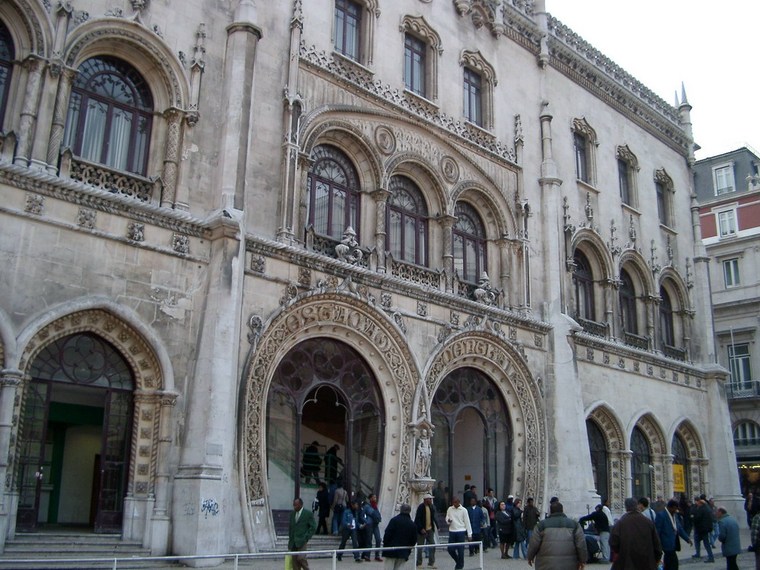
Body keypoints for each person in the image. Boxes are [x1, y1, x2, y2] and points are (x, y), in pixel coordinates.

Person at [526, 501, 587, 570]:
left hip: (545, 564)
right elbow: (581, 545)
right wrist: (582, 560)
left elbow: (534, 544)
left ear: (550, 511)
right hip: (569, 564)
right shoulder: (574, 525)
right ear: (562, 510)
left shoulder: (541, 525)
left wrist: (530, 557)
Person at [610, 497, 663, 570]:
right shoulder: (648, 522)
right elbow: (657, 545)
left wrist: (621, 552)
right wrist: (656, 560)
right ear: (636, 506)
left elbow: (613, 543)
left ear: (626, 507)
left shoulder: (620, 523)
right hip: (647, 564)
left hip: (627, 564)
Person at [655, 499, 692, 570]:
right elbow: (657, 531)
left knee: (671, 563)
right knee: (672, 562)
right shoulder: (661, 515)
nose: (676, 510)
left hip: (674, 543)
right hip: (666, 543)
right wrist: (658, 545)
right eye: (675, 508)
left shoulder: (675, 515)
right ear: (670, 507)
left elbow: (679, 528)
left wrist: (687, 539)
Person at [382, 504, 419, 570]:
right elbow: (414, 539)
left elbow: (387, 534)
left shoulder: (394, 520)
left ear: (401, 510)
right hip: (403, 551)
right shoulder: (412, 524)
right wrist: (408, 549)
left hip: (391, 550)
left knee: (388, 568)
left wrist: (386, 545)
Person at [288, 497, 317, 570]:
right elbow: (291, 527)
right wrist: (290, 539)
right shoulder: (292, 514)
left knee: (301, 558)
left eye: (296, 505)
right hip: (293, 541)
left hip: (302, 540)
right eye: (293, 505)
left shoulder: (308, 514)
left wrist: (307, 537)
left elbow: (313, 527)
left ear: (301, 505)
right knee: (294, 562)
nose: (294, 506)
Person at [445, 497, 472, 570]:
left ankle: (460, 566)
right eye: (453, 502)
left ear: (459, 502)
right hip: (452, 531)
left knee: (460, 551)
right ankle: (458, 562)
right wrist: (448, 521)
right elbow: (447, 518)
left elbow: (467, 522)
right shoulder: (450, 509)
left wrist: (469, 534)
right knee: (450, 549)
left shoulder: (464, 510)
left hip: (461, 531)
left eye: (456, 502)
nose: (455, 504)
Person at [414, 493, 438, 569]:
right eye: (429, 499)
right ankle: (419, 563)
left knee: (432, 545)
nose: (431, 500)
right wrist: (421, 529)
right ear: (425, 500)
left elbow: (433, 517)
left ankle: (431, 563)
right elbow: (417, 519)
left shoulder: (431, 507)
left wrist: (437, 526)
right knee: (420, 547)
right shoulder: (421, 507)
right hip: (422, 530)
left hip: (430, 528)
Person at [692, 494, 715, 562]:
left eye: (698, 503)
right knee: (702, 542)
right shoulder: (707, 509)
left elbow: (697, 518)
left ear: (701, 503)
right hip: (704, 529)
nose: (697, 504)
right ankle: (701, 554)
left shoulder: (702, 510)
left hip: (701, 529)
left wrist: (693, 518)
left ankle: (710, 557)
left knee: (705, 543)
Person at [367, 494, 384, 562]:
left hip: (375, 524)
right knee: (369, 540)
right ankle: (367, 555)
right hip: (370, 524)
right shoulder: (368, 506)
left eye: (375, 497)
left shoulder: (375, 506)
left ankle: (377, 555)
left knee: (378, 539)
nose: (375, 498)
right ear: (370, 498)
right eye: (374, 497)